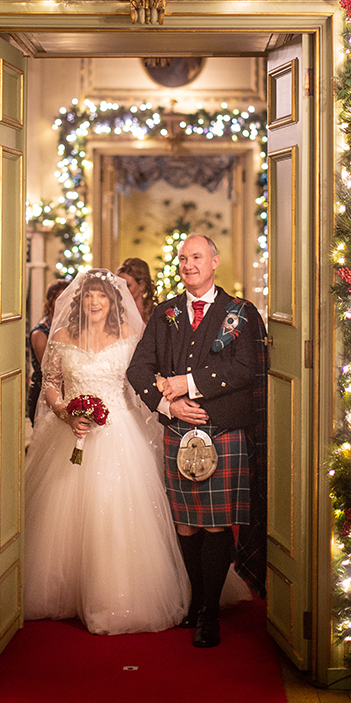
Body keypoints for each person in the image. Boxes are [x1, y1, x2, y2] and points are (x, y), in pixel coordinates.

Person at [23, 268, 189, 634]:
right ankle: (65, 592)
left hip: (120, 433)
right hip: (72, 432)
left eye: (102, 296)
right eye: (88, 296)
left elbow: (145, 379)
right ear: (78, 301)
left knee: (113, 511)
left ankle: (113, 597)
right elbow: (51, 383)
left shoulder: (129, 334)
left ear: (114, 302)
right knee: (65, 514)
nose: (95, 302)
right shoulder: (63, 335)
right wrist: (66, 412)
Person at [127, 233, 268, 648]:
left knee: (217, 522)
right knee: (187, 525)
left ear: (215, 261)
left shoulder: (240, 313)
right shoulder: (166, 313)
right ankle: (195, 602)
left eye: (198, 257)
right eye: (183, 258)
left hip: (222, 430)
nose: (189, 264)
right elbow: (138, 368)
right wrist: (169, 407)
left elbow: (245, 368)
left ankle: (209, 612)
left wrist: (186, 384)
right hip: (178, 429)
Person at [27, 278, 69, 424]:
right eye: (60, 301)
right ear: (49, 304)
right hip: (43, 395)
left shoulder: (70, 329)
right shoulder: (40, 333)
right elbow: (49, 370)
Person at [117, 256, 157, 325]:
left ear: (142, 285)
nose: (121, 291)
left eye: (127, 286)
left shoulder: (155, 315)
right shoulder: (115, 316)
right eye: (119, 286)